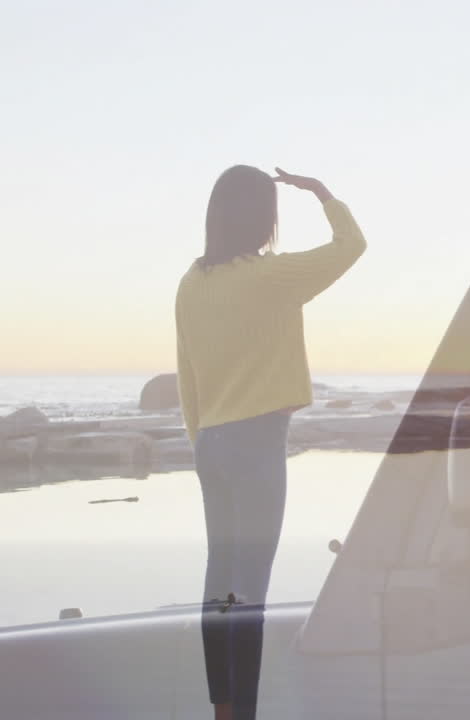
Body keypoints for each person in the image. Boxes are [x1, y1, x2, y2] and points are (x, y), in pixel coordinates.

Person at [175, 165, 366, 720]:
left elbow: (186, 374)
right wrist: (323, 193)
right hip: (256, 441)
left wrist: (201, 442)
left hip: (210, 441)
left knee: (220, 583)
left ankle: (223, 710)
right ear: (264, 218)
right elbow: (352, 244)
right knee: (249, 591)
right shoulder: (270, 276)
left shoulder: (191, 281)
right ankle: (246, 715)